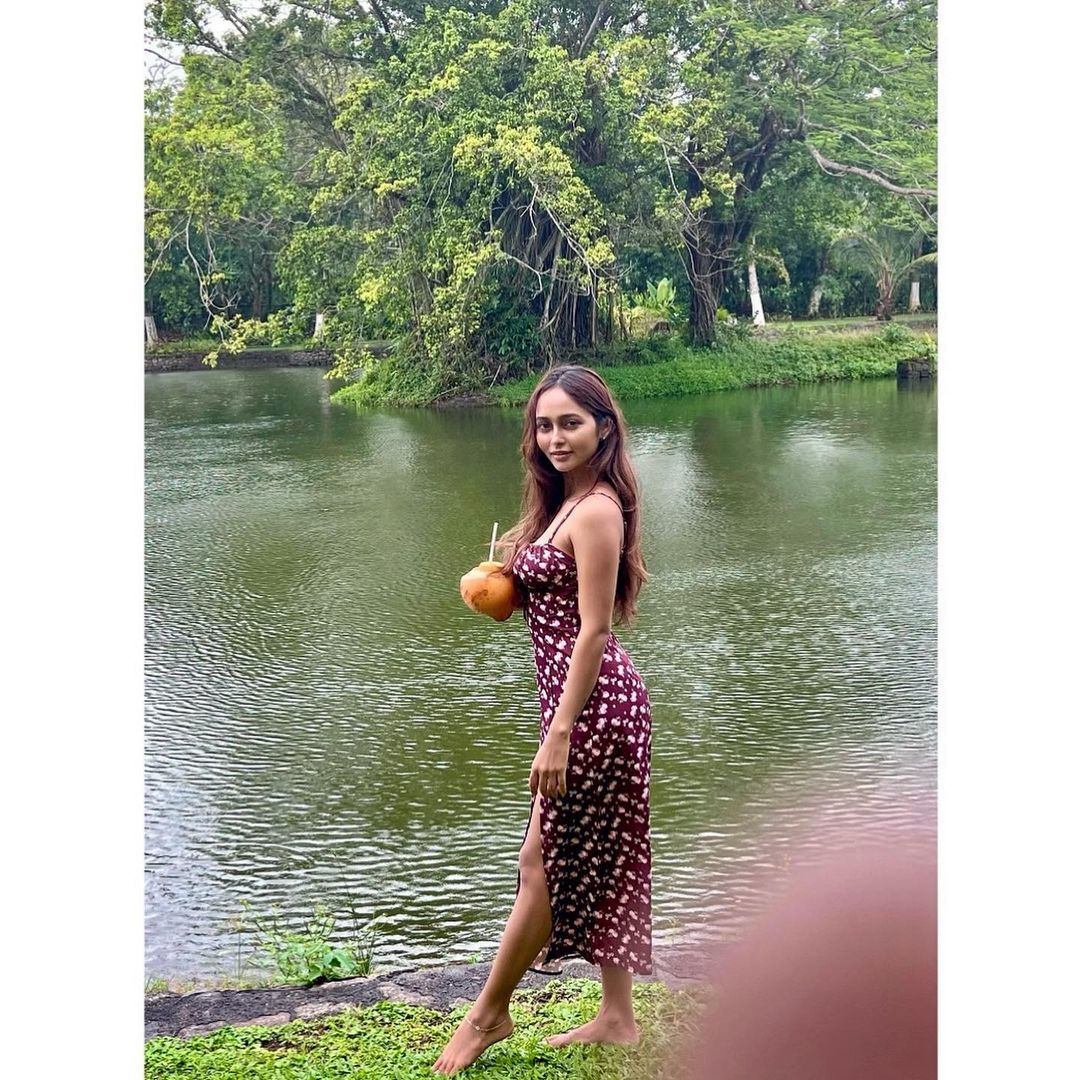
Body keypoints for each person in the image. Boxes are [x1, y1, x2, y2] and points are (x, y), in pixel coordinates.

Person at [432, 364, 653, 1076]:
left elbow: (594, 630)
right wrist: (501, 583)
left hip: (593, 710)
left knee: (541, 863)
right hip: (575, 703)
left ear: (604, 428)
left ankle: (487, 1014)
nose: (555, 437)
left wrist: (559, 733)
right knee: (604, 853)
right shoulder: (566, 501)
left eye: (571, 424)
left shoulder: (597, 510)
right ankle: (617, 1017)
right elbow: (551, 605)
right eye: (545, 425)